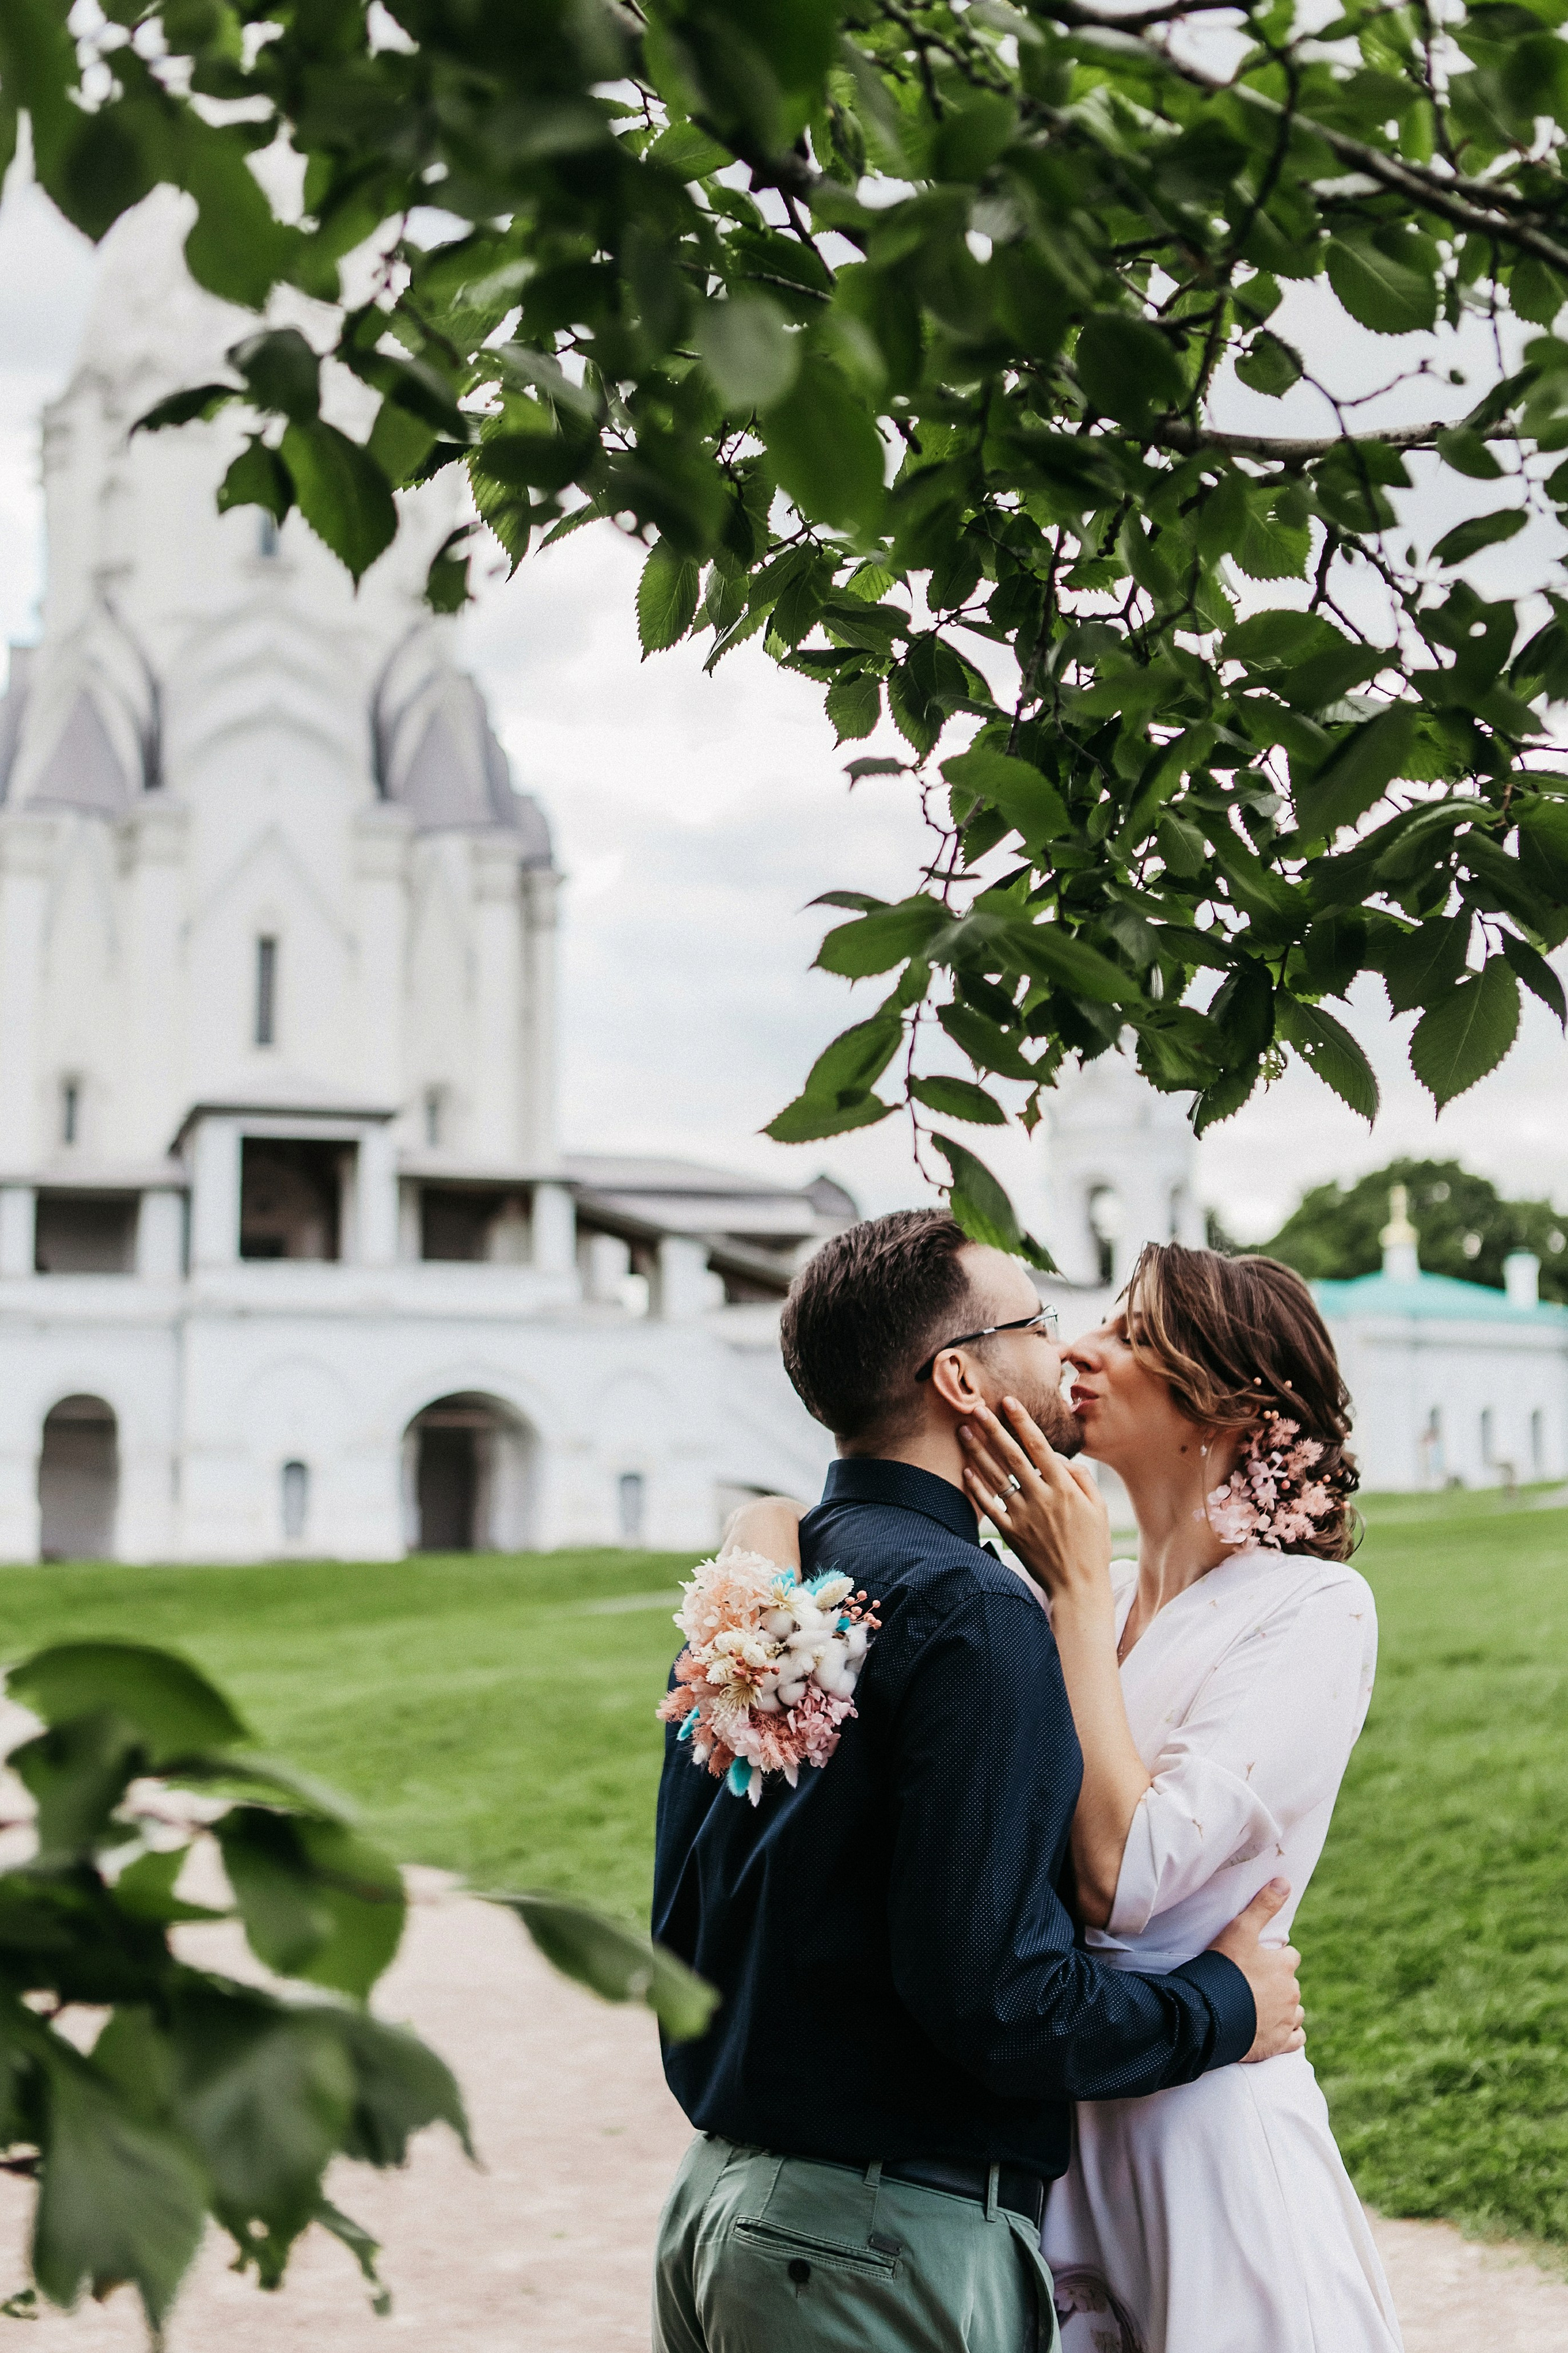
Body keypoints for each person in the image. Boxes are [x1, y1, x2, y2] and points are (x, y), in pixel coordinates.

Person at [650, 1211, 1306, 2353]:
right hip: (874, 2246)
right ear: (959, 1376)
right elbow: (999, 1997)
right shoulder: (973, 1613)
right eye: (1036, 1322)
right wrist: (1223, 2008)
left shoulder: (754, 1594)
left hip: (714, 2214)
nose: (1062, 1349)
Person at [953, 1243, 1403, 2353]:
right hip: (1074, 2112)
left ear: (1228, 1408)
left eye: (1136, 1336)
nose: (1079, 1349)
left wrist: (1066, 1587)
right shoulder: (1095, 1609)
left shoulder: (1310, 1609)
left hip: (1205, 2126)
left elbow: (1125, 1878)